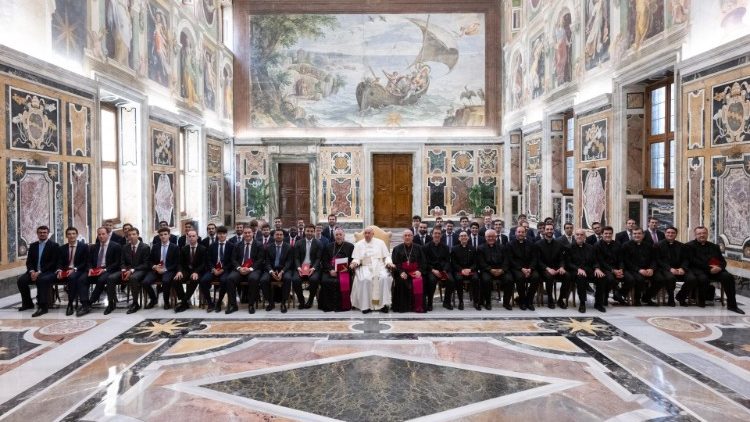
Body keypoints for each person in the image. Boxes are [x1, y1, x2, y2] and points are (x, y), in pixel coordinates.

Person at [688, 226, 744, 314]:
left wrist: (720, 267)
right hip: (699, 270)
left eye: (704, 233)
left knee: (728, 277)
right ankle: (701, 301)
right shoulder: (689, 246)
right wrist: (709, 269)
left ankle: (732, 305)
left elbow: (722, 261)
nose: (702, 235)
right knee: (703, 279)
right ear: (695, 234)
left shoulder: (714, 246)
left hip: (716, 270)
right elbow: (693, 261)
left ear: (707, 234)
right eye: (699, 233)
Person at [350, 227, 395, 314]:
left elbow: (386, 256)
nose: (367, 235)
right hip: (365, 266)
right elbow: (357, 258)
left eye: (369, 233)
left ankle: (384, 305)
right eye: (365, 233)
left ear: (373, 234)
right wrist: (354, 263)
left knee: (384, 278)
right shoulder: (359, 244)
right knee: (365, 280)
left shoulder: (380, 243)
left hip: (380, 265)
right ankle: (365, 306)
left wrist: (389, 263)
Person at [18, 226, 59, 316]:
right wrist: (32, 271)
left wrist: (39, 272)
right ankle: (28, 303)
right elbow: (29, 262)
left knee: (41, 280)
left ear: (48, 234)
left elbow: (53, 263)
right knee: (21, 281)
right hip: (34, 271)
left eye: (44, 232)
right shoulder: (33, 246)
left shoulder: (54, 246)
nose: (42, 234)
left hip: (48, 272)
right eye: (40, 232)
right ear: (37, 234)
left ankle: (43, 307)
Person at [80, 227, 122, 316]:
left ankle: (90, 302)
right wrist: (90, 268)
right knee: (82, 279)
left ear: (107, 234)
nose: (101, 236)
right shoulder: (94, 247)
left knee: (101, 280)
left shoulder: (115, 246)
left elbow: (117, 263)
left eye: (103, 234)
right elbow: (89, 261)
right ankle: (84, 303)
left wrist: (104, 270)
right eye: (99, 234)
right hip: (95, 270)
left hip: (108, 270)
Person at [226, 226, 264, 314]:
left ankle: (251, 305)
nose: (247, 234)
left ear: (253, 233)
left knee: (253, 279)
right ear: (243, 234)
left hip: (253, 269)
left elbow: (260, 260)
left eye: (249, 232)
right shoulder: (237, 245)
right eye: (245, 233)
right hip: (239, 269)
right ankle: (233, 305)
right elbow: (233, 259)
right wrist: (239, 268)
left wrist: (250, 269)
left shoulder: (259, 245)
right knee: (230, 279)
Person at [567, 229, 605, 313]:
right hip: (575, 271)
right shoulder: (569, 247)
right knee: (581, 277)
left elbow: (595, 261)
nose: (579, 236)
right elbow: (568, 263)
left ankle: (598, 303)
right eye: (577, 234)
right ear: (574, 236)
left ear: (585, 236)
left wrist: (597, 268)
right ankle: (582, 303)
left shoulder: (590, 247)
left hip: (588, 270)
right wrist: (578, 269)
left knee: (601, 277)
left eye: (581, 235)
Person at [143, 227, 181, 310]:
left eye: (165, 234)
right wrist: (155, 267)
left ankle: (166, 302)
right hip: (156, 269)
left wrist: (165, 269)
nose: (163, 236)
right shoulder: (155, 246)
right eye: (161, 235)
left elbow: (176, 263)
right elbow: (150, 260)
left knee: (166, 281)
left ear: (169, 235)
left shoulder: (175, 247)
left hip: (168, 270)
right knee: (145, 282)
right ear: (159, 237)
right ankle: (153, 299)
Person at [654, 226, 692, 307]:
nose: (670, 234)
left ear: (676, 234)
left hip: (680, 269)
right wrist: (670, 269)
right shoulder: (658, 245)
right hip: (665, 269)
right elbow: (658, 260)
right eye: (668, 232)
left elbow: (686, 259)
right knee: (670, 278)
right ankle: (671, 298)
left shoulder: (682, 246)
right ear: (665, 233)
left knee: (692, 279)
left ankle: (681, 296)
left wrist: (682, 268)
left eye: (673, 233)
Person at [319, 228, 355, 312]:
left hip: (344, 271)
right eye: (336, 235)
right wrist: (330, 270)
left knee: (343, 282)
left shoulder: (350, 246)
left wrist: (346, 268)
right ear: (334, 236)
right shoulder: (329, 246)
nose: (338, 236)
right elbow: (324, 261)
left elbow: (352, 260)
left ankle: (343, 306)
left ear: (344, 236)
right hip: (330, 271)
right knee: (325, 281)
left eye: (340, 235)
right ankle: (328, 306)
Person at [199, 226, 234, 312]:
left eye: (223, 234)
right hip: (213, 269)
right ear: (217, 234)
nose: (221, 235)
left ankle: (218, 303)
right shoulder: (212, 246)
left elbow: (231, 261)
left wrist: (223, 269)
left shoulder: (231, 246)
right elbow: (209, 260)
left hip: (225, 269)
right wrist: (213, 269)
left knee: (224, 280)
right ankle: (210, 303)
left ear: (226, 235)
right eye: (219, 234)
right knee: (203, 280)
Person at [391, 230, 427, 313]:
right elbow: (395, 263)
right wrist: (401, 272)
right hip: (403, 272)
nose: (407, 237)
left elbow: (423, 262)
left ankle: (418, 306)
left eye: (409, 235)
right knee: (401, 281)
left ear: (412, 237)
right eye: (405, 235)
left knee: (420, 281)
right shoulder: (397, 249)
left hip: (415, 272)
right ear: (402, 237)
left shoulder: (419, 248)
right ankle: (403, 307)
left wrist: (419, 271)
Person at [594, 226, 631, 306]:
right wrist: (613, 271)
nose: (608, 235)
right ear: (602, 234)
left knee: (630, 279)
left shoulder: (617, 244)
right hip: (604, 268)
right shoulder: (597, 245)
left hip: (617, 268)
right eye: (606, 233)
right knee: (610, 279)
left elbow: (621, 259)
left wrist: (621, 269)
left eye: (610, 233)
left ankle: (619, 294)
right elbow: (601, 261)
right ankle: (605, 296)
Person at [622, 228, 659, 306]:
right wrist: (639, 270)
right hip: (633, 270)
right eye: (635, 233)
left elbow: (654, 259)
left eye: (639, 233)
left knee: (660, 279)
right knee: (640, 279)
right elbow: (626, 261)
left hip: (647, 270)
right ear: (632, 235)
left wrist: (651, 269)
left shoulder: (649, 245)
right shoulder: (626, 245)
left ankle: (647, 298)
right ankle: (637, 299)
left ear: (643, 235)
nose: (637, 235)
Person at [536, 223, 569, 309]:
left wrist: (561, 267)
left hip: (556, 269)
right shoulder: (538, 244)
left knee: (567, 276)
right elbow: (537, 260)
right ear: (544, 231)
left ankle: (561, 299)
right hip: (544, 269)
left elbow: (562, 258)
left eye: (551, 229)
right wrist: (547, 269)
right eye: (547, 229)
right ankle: (550, 299)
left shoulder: (558, 244)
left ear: (553, 231)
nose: (549, 231)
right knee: (549, 277)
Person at [56, 227, 89, 316]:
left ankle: (70, 304)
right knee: (52, 277)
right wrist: (59, 270)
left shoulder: (84, 246)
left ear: (77, 235)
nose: (71, 236)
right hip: (66, 270)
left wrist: (75, 269)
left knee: (72, 277)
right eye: (69, 234)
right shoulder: (62, 248)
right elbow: (59, 261)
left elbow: (85, 262)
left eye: (73, 234)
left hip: (79, 269)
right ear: (66, 236)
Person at [507, 226, 540, 310]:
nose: (521, 234)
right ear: (515, 233)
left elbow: (534, 258)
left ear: (525, 233)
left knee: (536, 277)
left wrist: (530, 269)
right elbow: (510, 260)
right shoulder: (510, 244)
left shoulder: (531, 244)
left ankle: (529, 300)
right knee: (520, 277)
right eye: (519, 232)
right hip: (517, 268)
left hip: (529, 268)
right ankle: (522, 300)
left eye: (522, 232)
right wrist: (521, 269)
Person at [261, 229, 293, 313]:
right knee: (263, 280)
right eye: (277, 234)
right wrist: (271, 272)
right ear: (274, 236)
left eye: (280, 234)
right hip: (271, 269)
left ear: (283, 236)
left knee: (288, 279)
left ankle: (283, 303)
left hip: (284, 269)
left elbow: (289, 262)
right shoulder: (268, 247)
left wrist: (282, 271)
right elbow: (267, 262)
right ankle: (271, 303)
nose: (279, 236)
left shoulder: (288, 247)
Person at [174, 229, 206, 312]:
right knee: (176, 279)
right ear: (187, 237)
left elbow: (203, 264)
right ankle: (184, 300)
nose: (191, 238)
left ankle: (183, 302)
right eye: (189, 236)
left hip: (198, 271)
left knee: (194, 279)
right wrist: (179, 271)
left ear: (197, 237)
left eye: (193, 236)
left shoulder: (203, 249)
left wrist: (196, 272)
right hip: (186, 271)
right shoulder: (184, 248)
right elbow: (180, 263)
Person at [119, 228, 151, 315]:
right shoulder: (125, 247)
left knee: (133, 278)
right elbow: (122, 261)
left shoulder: (145, 247)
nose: (131, 236)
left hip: (141, 269)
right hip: (127, 269)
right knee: (111, 278)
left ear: (138, 235)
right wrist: (123, 270)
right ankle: (111, 304)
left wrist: (132, 270)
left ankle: (135, 303)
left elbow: (146, 264)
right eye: (129, 235)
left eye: (133, 234)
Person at [292, 225, 323, 309]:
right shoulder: (298, 243)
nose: (309, 233)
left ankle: (310, 300)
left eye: (311, 231)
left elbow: (318, 258)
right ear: (304, 232)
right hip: (301, 267)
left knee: (314, 280)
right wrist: (298, 268)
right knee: (295, 280)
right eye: (308, 231)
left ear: (314, 232)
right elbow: (296, 258)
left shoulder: (318, 243)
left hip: (313, 267)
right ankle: (301, 301)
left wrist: (313, 268)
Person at [477, 229, 508, 311]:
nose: (491, 238)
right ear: (485, 237)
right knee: (486, 280)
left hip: (501, 270)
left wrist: (502, 270)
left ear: (496, 237)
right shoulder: (480, 248)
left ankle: (506, 302)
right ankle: (487, 302)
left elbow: (506, 260)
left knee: (510, 279)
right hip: (487, 270)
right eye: (488, 237)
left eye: (493, 236)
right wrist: (491, 270)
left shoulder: (502, 247)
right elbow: (481, 262)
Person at [423, 226, 451, 311]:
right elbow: (424, 262)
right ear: (432, 234)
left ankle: (446, 302)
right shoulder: (426, 247)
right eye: (435, 233)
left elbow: (447, 261)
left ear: (441, 235)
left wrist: (444, 271)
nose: (437, 235)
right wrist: (432, 270)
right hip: (431, 270)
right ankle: (430, 302)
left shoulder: (445, 247)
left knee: (451, 280)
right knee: (431, 280)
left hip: (443, 270)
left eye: (439, 233)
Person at [450, 231, 477, 310]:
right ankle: (461, 301)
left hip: (470, 270)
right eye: (461, 236)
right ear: (459, 238)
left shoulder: (472, 248)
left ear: (468, 238)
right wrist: (461, 270)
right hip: (459, 271)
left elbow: (476, 262)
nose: (463, 237)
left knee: (476, 279)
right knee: (458, 279)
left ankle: (476, 301)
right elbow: (453, 263)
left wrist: (470, 269)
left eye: (465, 236)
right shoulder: (454, 249)